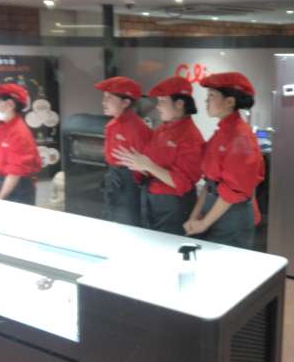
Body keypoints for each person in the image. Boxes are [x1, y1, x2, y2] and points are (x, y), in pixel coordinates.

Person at [112, 76, 204, 235]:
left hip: (172, 206)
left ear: (179, 104)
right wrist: (137, 165)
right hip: (150, 199)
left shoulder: (191, 137)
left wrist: (148, 166)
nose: (157, 106)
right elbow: (151, 162)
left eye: (162, 101)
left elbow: (183, 183)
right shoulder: (162, 129)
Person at [183, 72, 264, 250]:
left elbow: (233, 190)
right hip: (214, 208)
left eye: (212, 95)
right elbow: (209, 182)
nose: (206, 101)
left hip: (232, 214)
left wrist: (204, 223)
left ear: (229, 102)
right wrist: (195, 216)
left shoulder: (241, 136)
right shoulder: (222, 132)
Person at [94, 76, 151, 226]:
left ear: (125, 102)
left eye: (109, 98)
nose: (104, 102)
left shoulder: (137, 128)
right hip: (113, 178)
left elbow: (145, 168)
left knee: (127, 226)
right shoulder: (112, 125)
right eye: (104, 97)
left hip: (130, 185)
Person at [0, 83, 42, 205]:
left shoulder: (20, 133)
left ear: (10, 104)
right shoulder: (1, 128)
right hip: (2, 180)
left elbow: (15, 172)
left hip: (19, 187)